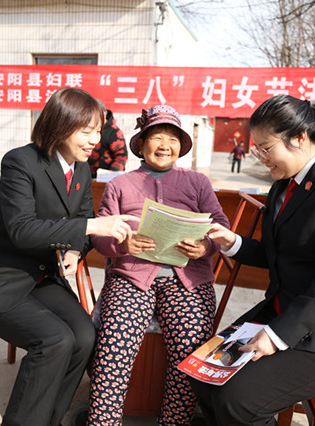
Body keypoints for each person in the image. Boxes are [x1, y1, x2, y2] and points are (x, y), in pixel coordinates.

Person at [0, 88, 138, 426]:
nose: (95, 140)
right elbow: (22, 230)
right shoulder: (20, 162)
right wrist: (91, 226)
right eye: (86, 131)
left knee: (84, 336)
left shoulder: (81, 170)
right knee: (55, 339)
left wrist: (75, 249)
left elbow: (82, 223)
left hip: (39, 275)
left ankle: (50, 419)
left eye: (98, 131)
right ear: (60, 125)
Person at [191, 95, 315, 426]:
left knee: (238, 399)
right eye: (257, 149)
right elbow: (276, 254)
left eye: (266, 148)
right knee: (204, 374)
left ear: (299, 138)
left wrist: (278, 336)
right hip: (281, 311)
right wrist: (232, 243)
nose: (261, 158)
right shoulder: (282, 185)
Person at [86, 105, 230, 425]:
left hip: (188, 279)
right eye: (157, 137)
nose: (165, 145)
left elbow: (220, 227)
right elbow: (99, 237)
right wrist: (123, 245)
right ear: (141, 143)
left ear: (181, 146)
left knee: (190, 353)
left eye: (173, 138)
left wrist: (205, 246)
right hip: (131, 278)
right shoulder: (120, 184)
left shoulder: (198, 182)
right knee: (113, 351)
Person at [87, 109, 128, 178]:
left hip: (106, 177)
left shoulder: (114, 132)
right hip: (86, 174)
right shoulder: (87, 129)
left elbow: (121, 156)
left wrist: (111, 175)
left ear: (103, 115)